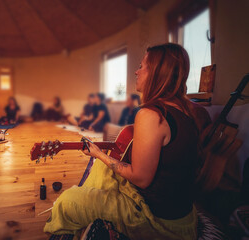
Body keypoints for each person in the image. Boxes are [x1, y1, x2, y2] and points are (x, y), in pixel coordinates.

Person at [44, 43, 211, 239]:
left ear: (157, 74)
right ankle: (91, 204)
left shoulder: (151, 115)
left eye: (142, 66)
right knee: (101, 168)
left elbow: (141, 178)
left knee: (68, 201)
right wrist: (101, 158)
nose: (136, 71)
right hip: (182, 217)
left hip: (156, 221)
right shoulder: (189, 111)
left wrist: (97, 153)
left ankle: (67, 225)